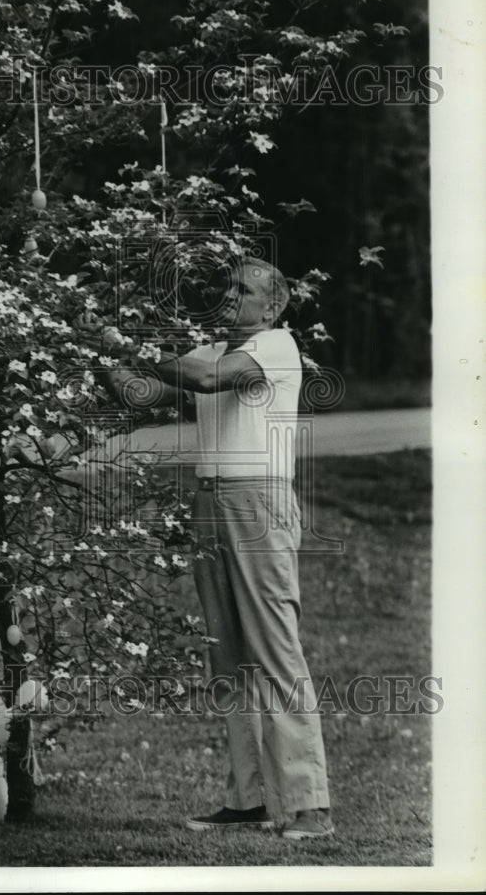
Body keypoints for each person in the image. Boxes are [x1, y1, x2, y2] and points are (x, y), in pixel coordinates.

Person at [80, 257, 333, 840]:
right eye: (226, 286)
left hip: (257, 503)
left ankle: (310, 805)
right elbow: (140, 394)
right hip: (210, 502)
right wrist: (99, 352)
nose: (228, 297)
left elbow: (203, 380)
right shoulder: (210, 348)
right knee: (228, 659)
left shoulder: (275, 345)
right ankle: (248, 800)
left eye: (242, 290)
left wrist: (129, 343)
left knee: (275, 651)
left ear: (271, 305)